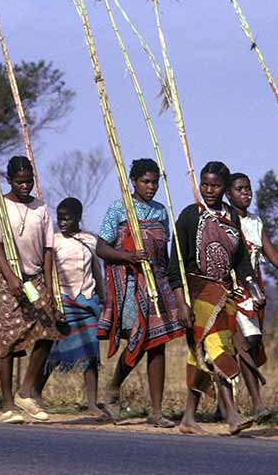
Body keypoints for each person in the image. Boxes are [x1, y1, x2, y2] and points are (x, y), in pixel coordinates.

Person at [170, 161, 259, 436]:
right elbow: (176, 265)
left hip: (224, 294)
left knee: (202, 355)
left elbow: (242, 260)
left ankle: (187, 417)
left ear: (225, 187)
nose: (209, 190)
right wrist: (181, 303)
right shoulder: (189, 216)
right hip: (197, 293)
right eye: (205, 185)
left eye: (216, 185)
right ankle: (232, 415)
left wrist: (251, 289)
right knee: (217, 347)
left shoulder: (232, 218)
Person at [96, 158, 183, 428]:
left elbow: (165, 255)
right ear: (133, 182)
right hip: (132, 287)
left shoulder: (161, 212)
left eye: (155, 182)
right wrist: (128, 256)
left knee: (158, 345)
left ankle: (156, 412)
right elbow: (101, 247)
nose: (151, 187)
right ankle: (113, 388)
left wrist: (171, 287)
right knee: (142, 338)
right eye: (146, 181)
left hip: (158, 286)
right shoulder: (119, 208)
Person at [226, 172, 278, 422]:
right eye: (240, 189)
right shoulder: (223, 220)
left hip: (253, 289)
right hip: (230, 288)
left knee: (249, 343)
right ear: (228, 194)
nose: (246, 194)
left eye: (248, 189)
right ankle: (257, 405)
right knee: (240, 343)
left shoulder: (255, 222)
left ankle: (234, 407)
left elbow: (271, 254)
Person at [0, 156, 60, 424]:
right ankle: (7, 405)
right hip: (5, 278)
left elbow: (49, 249)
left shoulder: (41, 208)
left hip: (34, 278)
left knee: (47, 328)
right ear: (9, 181)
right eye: (20, 182)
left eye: (29, 181)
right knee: (5, 338)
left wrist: (49, 287)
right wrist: (10, 277)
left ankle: (25, 392)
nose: (25, 186)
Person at [39, 197, 106, 419]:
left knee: (91, 351)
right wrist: (49, 300)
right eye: (60, 218)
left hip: (87, 302)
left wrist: (104, 298)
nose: (63, 223)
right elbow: (46, 270)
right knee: (55, 351)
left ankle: (92, 403)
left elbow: (96, 271)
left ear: (78, 218)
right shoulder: (53, 241)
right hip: (62, 301)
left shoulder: (90, 241)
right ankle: (34, 394)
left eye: (67, 219)